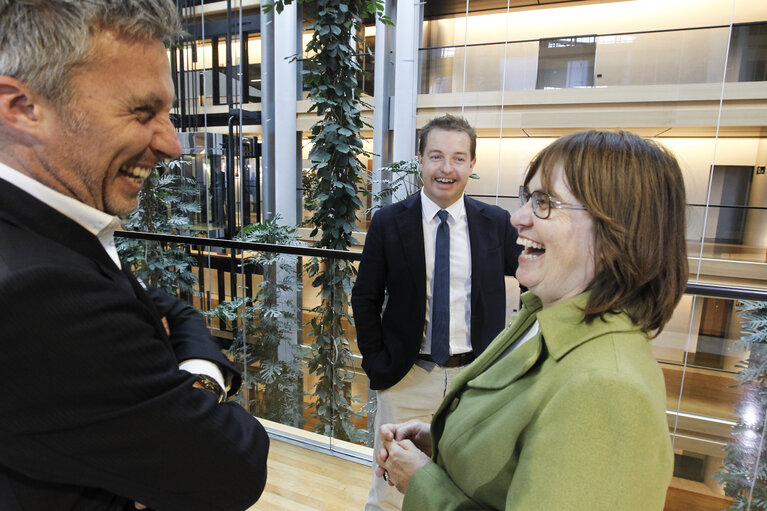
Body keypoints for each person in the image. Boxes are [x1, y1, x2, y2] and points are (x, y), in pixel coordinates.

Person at [0, 1, 269, 510]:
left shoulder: (53, 233)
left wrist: (183, 388)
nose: (173, 145)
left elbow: (168, 308)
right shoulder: (36, 292)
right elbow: (231, 464)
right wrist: (202, 393)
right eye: (142, 113)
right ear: (22, 107)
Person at [375, 130, 687, 510]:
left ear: (616, 231)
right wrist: (443, 441)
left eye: (544, 202)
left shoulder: (607, 389)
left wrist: (423, 481)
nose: (519, 219)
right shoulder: (539, 317)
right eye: (528, 198)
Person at [351, 114, 522, 511]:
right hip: (406, 378)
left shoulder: (496, 224)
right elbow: (365, 297)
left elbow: (538, 283)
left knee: (459, 483)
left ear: (472, 165)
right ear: (420, 160)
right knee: (390, 490)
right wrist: (379, 365)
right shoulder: (389, 221)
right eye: (437, 156)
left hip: (473, 381)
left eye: (459, 158)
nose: (447, 169)